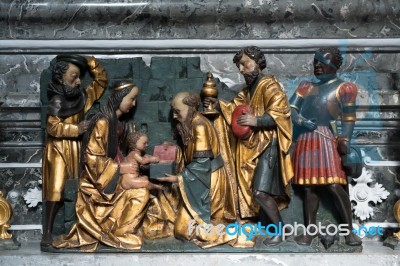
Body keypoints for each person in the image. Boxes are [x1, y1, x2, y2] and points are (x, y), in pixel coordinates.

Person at [53, 81, 159, 252]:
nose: (134, 104)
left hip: (113, 178)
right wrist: (120, 169)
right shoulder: (103, 122)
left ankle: (122, 230)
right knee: (141, 192)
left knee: (144, 191)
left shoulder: (119, 123)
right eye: (131, 99)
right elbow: (92, 158)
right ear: (119, 98)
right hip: (98, 183)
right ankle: (119, 232)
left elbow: (120, 153)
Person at [204, 46, 293, 246]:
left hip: (268, 145)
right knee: (256, 192)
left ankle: (280, 231)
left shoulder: (269, 86)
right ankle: (272, 224)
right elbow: (235, 109)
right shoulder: (246, 91)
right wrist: (218, 105)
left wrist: (257, 121)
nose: (242, 69)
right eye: (239, 67)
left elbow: (282, 113)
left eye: (245, 64)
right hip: (251, 147)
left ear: (258, 62)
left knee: (260, 193)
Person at [289, 47, 362, 246]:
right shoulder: (305, 86)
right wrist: (303, 122)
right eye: (315, 61)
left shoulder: (344, 88)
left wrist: (345, 140)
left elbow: (348, 117)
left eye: (323, 61)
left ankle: (349, 231)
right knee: (308, 189)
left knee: (334, 185)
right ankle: (309, 231)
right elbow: (292, 111)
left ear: (336, 65)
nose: (317, 66)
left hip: (326, 139)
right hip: (306, 139)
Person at [41, 55, 107, 246]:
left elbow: (101, 81)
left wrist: (90, 61)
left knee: (75, 186)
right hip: (58, 148)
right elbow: (52, 127)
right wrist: (77, 129)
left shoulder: (82, 97)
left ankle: (76, 229)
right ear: (60, 77)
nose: (78, 81)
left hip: (76, 148)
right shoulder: (57, 101)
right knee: (55, 189)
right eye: (73, 76)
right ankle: (47, 232)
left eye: (79, 76)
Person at [157, 92, 236, 248]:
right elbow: (191, 155)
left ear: (191, 109)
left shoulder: (199, 126)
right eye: (173, 111)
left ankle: (220, 229)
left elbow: (201, 165)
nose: (174, 116)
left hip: (207, 183)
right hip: (197, 179)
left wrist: (177, 179)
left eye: (177, 111)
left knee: (183, 230)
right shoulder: (191, 123)